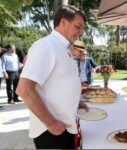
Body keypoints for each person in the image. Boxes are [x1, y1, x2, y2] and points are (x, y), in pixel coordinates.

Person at [16, 5, 88, 149]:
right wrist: (51, 123)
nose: (81, 32)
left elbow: (58, 84)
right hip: (51, 131)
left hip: (63, 128)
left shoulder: (63, 48)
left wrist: (75, 102)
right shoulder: (46, 46)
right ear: (63, 22)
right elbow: (24, 90)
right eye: (78, 26)